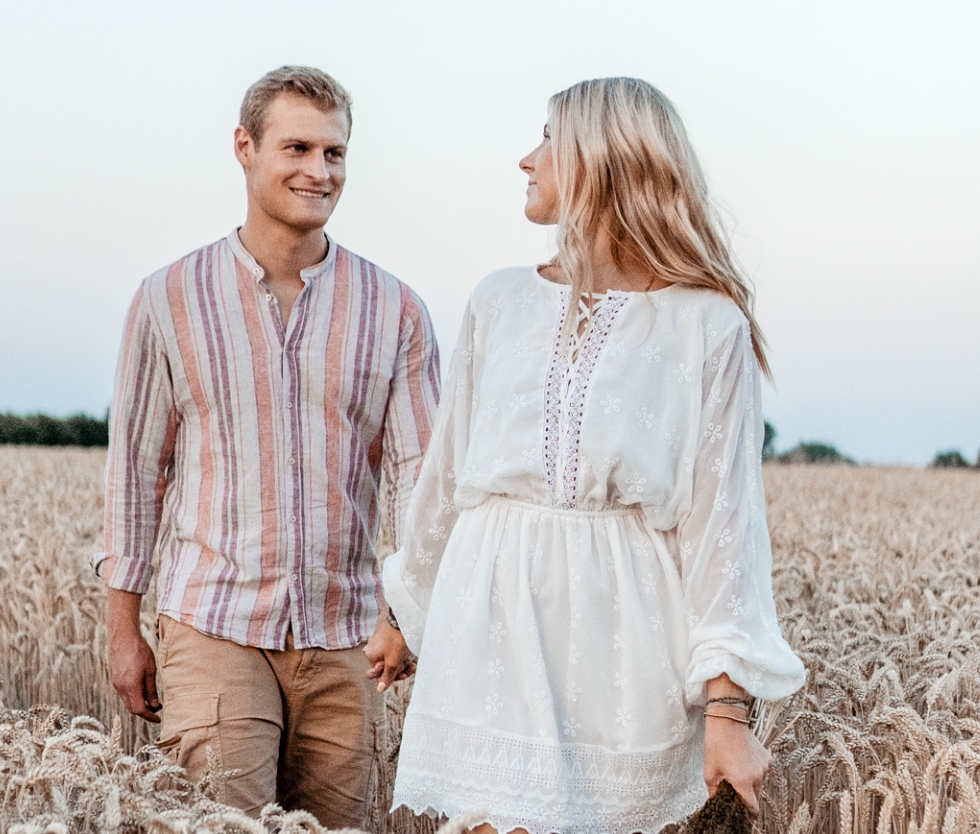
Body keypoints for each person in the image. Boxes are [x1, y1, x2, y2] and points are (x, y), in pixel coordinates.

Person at [372, 77, 807, 834]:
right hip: (488, 627)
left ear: (604, 161)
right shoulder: (499, 300)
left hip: (620, 648)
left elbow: (723, 529)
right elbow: (447, 480)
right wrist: (404, 612)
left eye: (548, 139)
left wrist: (728, 710)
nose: (526, 160)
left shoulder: (707, 325)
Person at [95, 65, 434, 829]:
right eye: (298, 148)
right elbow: (136, 474)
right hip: (213, 622)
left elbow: (421, 480)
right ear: (244, 148)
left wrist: (408, 614)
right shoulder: (167, 299)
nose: (319, 172)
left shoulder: (397, 311)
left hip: (346, 635)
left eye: (335, 154)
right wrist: (123, 630)